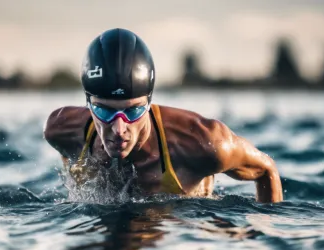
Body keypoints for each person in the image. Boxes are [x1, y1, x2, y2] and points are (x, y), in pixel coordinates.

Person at [44, 28, 283, 203]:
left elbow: (266, 169)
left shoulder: (205, 144)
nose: (118, 128)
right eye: (104, 110)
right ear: (88, 102)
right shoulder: (61, 131)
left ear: (149, 102)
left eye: (133, 110)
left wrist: (267, 243)